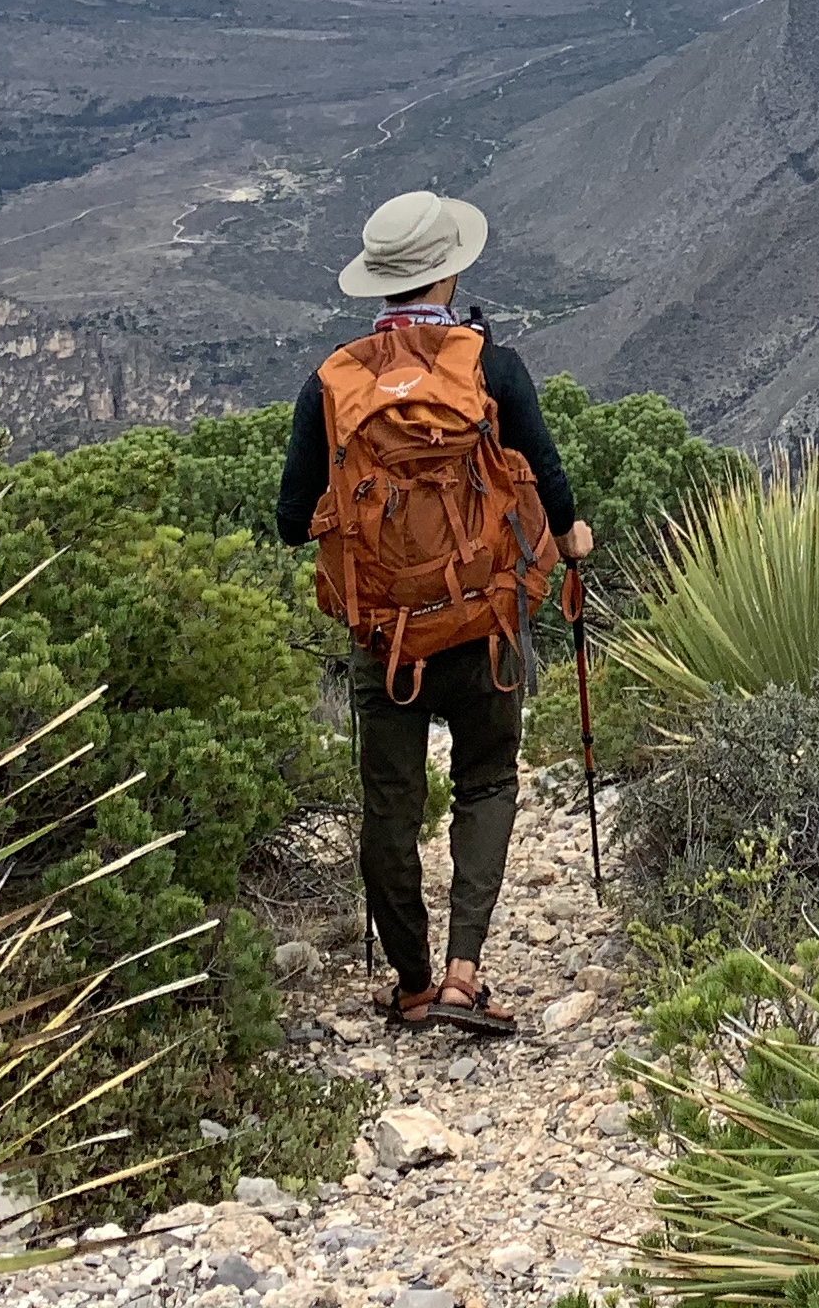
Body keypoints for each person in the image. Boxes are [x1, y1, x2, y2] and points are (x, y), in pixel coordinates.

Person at [274, 190, 595, 1035]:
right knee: (487, 777)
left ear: (378, 286)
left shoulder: (333, 383)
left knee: (390, 803)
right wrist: (569, 537)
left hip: (387, 641)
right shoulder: (492, 366)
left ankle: (410, 983)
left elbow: (286, 518)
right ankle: (463, 974)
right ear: (450, 271)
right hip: (484, 626)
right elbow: (550, 480)